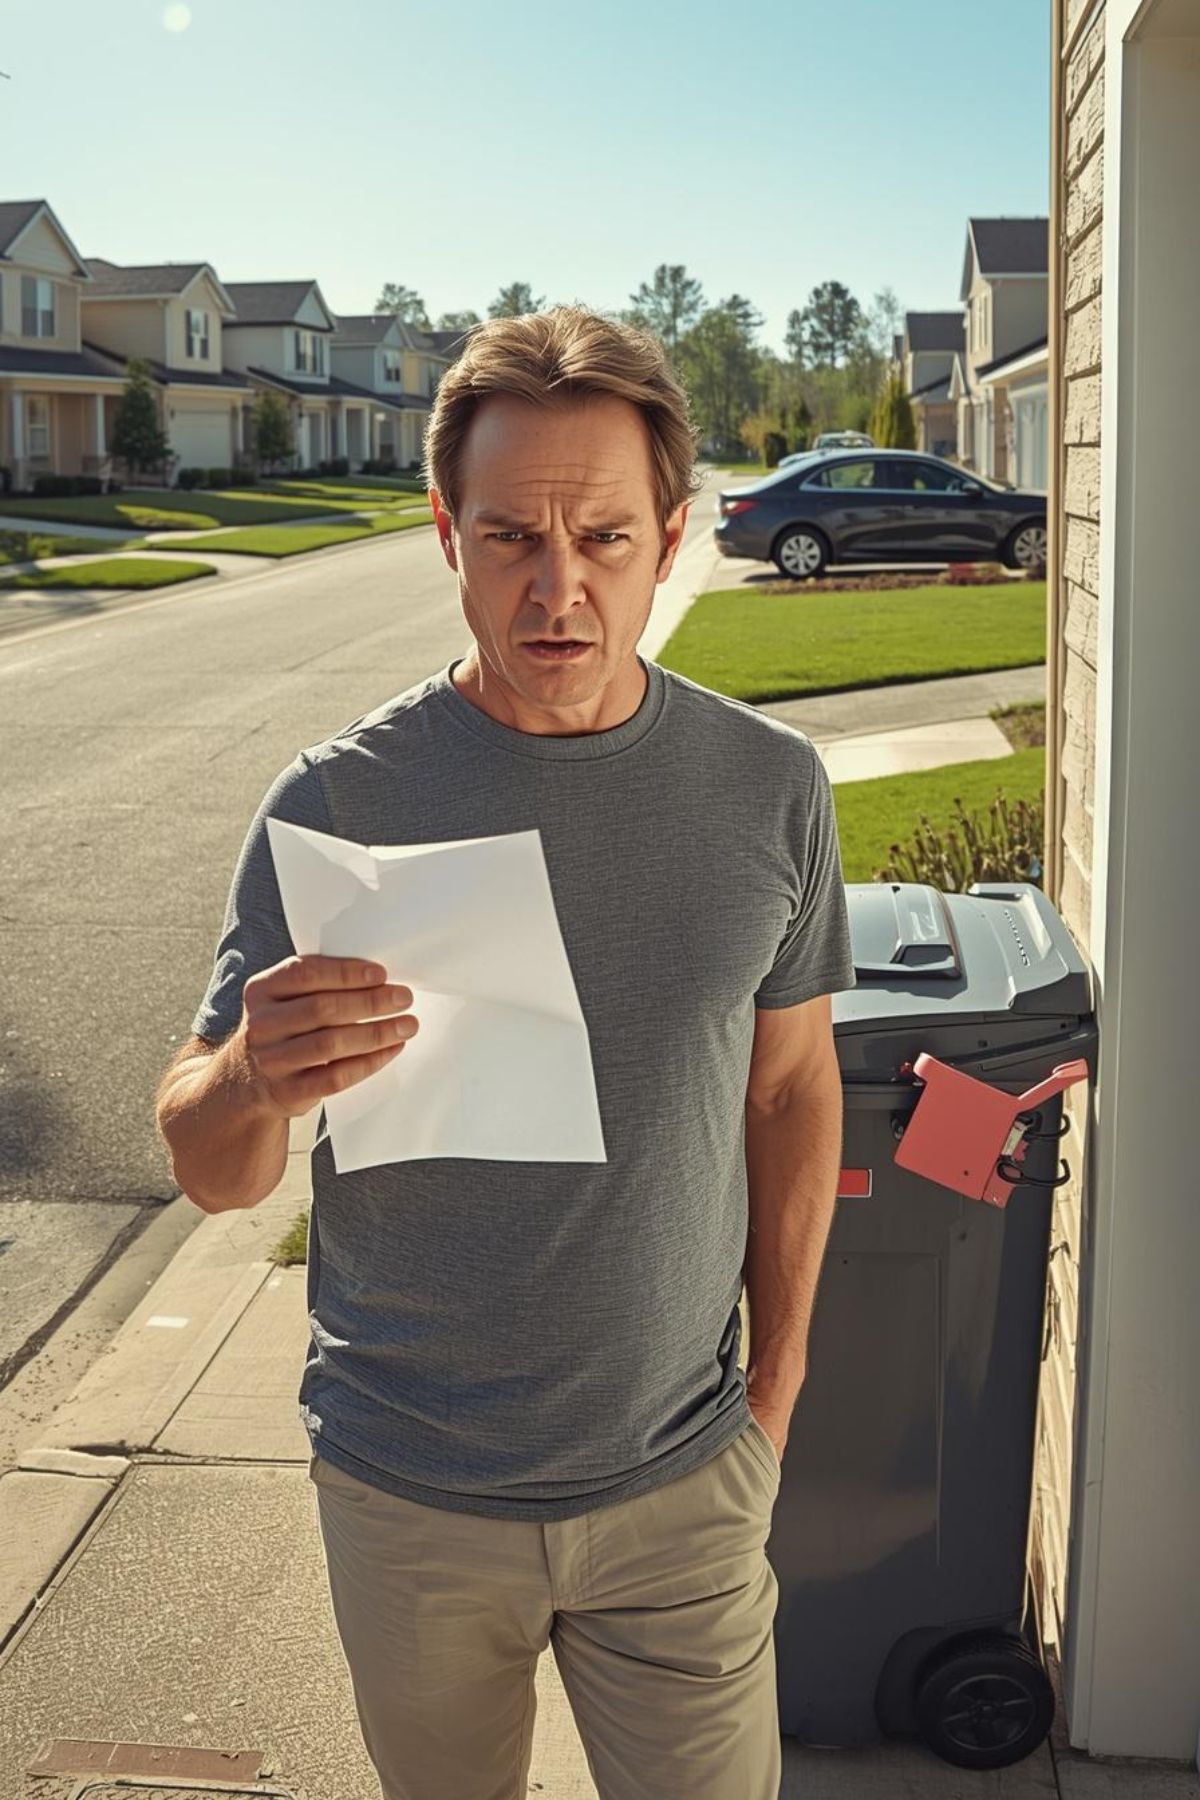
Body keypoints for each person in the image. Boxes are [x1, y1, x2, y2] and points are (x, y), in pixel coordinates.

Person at [156, 305, 856, 1800]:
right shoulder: (339, 802)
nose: (558, 592)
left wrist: (775, 1400)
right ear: (444, 533)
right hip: (411, 1494)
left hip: (683, 1484)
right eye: (508, 542)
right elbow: (208, 1167)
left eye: (602, 539)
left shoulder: (769, 787)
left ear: (672, 538)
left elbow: (792, 1088)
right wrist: (250, 1080)